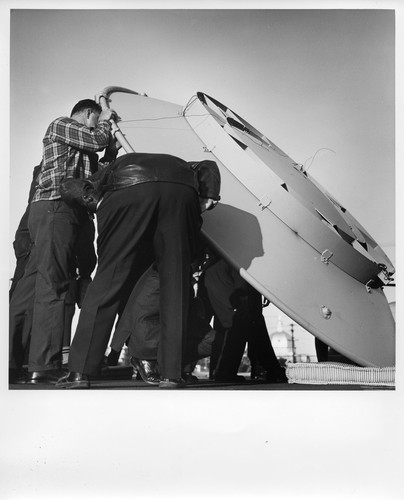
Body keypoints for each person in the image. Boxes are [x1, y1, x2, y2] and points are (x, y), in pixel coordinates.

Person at [56, 153, 220, 389]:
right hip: (181, 191)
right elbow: (209, 166)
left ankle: (80, 373)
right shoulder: (182, 163)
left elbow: (68, 187)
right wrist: (207, 197)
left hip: (128, 190)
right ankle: (171, 375)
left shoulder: (111, 168)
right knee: (174, 284)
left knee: (106, 283)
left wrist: (97, 203)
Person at [9, 99, 118, 385]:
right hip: (57, 209)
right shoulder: (63, 124)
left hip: (51, 212)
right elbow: (96, 138)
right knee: (54, 284)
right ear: (88, 113)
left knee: (31, 285)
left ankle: (11, 363)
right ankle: (43, 366)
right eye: (97, 117)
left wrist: (112, 151)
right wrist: (107, 120)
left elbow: (96, 178)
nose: (101, 123)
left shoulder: (80, 147)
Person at [199, 255, 287, 383]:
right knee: (240, 321)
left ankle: (269, 369)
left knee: (245, 321)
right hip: (228, 272)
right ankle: (225, 372)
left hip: (225, 271)